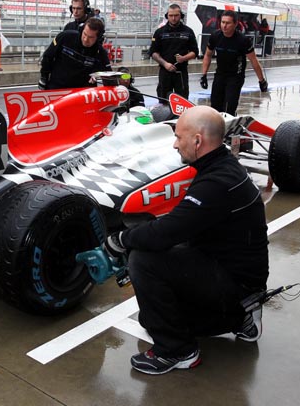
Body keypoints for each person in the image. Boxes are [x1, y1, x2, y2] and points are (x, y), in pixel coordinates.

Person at [103, 105, 269, 375]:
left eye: (179, 137)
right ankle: (241, 318)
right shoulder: (221, 165)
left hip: (235, 283)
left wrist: (121, 239)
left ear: (197, 141)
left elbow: (167, 232)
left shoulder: (218, 182)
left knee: (143, 259)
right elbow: (184, 224)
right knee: (150, 319)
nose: (174, 144)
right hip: (232, 272)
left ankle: (178, 351)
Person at [200, 10, 268, 116]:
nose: (224, 26)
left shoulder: (243, 40)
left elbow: (253, 60)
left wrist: (262, 81)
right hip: (220, 75)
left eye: (228, 23)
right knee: (215, 108)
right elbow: (208, 55)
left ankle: (230, 120)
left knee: (229, 108)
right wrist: (203, 75)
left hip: (235, 77)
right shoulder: (215, 36)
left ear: (235, 24)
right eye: (222, 22)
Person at [39, 17, 111, 90]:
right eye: (84, 34)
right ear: (81, 30)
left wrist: (96, 75)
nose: (86, 39)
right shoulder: (65, 37)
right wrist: (44, 77)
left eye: (91, 37)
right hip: (57, 87)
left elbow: (109, 75)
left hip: (81, 92)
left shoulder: (101, 53)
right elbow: (48, 56)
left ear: (98, 38)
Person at [149, 4, 199, 99]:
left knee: (182, 100)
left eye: (176, 15)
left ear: (181, 16)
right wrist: (165, 64)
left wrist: (184, 58)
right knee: (163, 100)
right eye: (171, 15)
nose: (173, 18)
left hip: (181, 72)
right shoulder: (159, 32)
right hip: (165, 71)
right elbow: (153, 52)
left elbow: (195, 52)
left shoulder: (188, 31)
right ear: (167, 16)